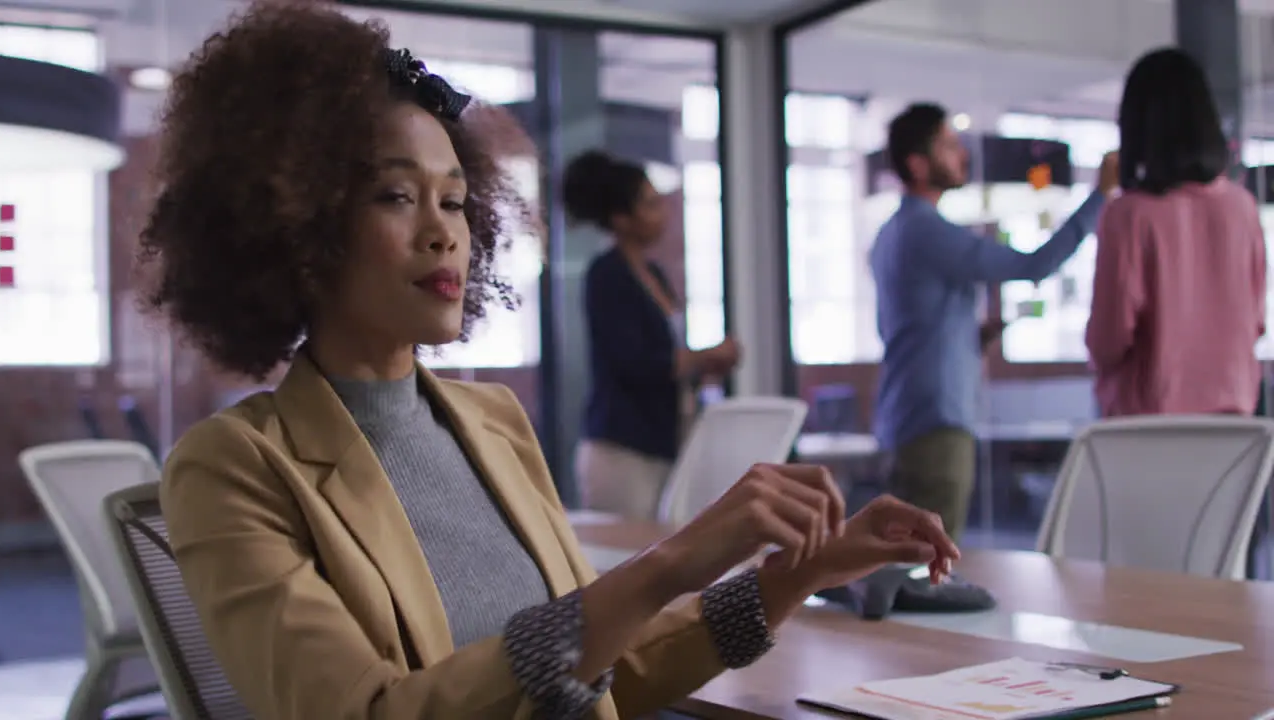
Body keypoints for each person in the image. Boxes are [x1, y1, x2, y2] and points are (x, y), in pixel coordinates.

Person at [138, 5, 960, 720]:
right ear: (297, 228)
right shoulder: (230, 469)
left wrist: (796, 575)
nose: (444, 231)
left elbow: (602, 679)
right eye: (396, 195)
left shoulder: (491, 420)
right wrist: (666, 564)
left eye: (456, 200)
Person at [870, 102, 1119, 542]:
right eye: (948, 145)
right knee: (929, 569)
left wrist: (971, 338)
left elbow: (912, 327)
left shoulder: (892, 233)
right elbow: (1036, 264)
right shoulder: (926, 231)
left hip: (907, 418)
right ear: (918, 164)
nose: (962, 155)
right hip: (936, 427)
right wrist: (1099, 195)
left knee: (907, 563)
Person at [1086, 47, 1265, 418]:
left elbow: (1108, 338)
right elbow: (1256, 321)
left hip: (1151, 428)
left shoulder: (1129, 214)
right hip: (1234, 421)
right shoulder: (1242, 208)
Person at [563, 150, 740, 521]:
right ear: (621, 218)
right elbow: (635, 361)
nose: (663, 212)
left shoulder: (655, 274)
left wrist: (707, 367)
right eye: (650, 204)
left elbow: (668, 361)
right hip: (623, 449)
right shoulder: (606, 274)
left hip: (664, 442)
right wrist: (704, 355)